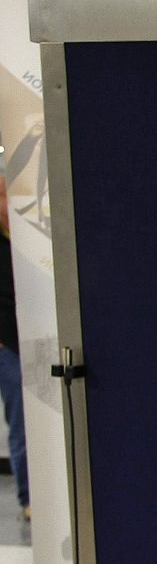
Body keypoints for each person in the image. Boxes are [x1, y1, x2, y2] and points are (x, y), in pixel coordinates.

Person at [0, 173, 25, 523]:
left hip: (36, 340)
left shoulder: (27, 241)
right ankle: (29, 498)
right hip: (9, 348)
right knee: (22, 424)